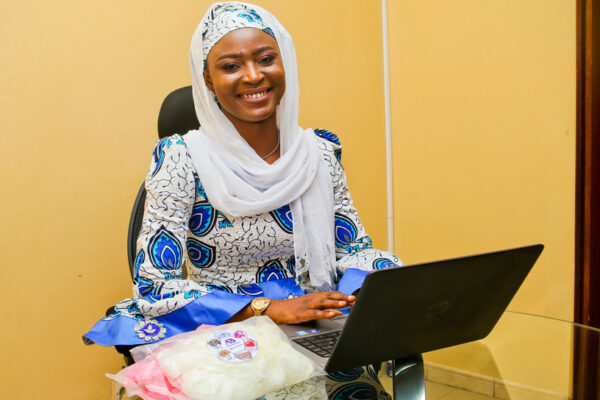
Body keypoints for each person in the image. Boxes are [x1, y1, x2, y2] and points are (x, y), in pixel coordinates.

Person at [84, 2, 402, 398]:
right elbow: (156, 286)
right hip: (227, 332)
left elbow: (353, 248)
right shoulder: (181, 159)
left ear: (285, 63)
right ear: (208, 80)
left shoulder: (318, 153)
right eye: (231, 66)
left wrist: (366, 291)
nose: (253, 76)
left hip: (320, 326)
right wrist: (266, 308)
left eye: (266, 59)